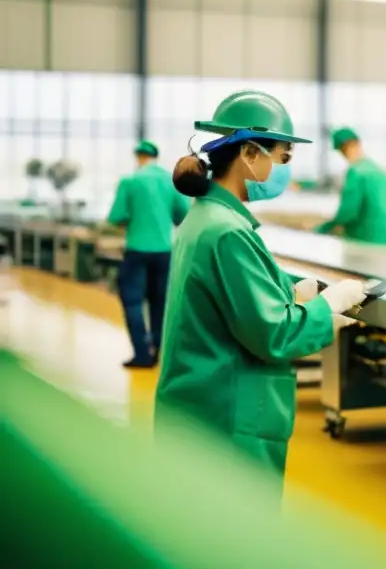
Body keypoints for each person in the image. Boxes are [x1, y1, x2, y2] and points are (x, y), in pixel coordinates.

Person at [155, 90, 368, 492]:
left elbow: (232, 293)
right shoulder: (228, 232)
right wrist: (328, 305)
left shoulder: (206, 218)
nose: (285, 168)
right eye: (283, 158)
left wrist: (290, 290)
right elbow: (276, 333)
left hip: (202, 407)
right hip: (227, 421)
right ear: (251, 155)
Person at [106, 140, 190, 369]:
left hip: (136, 250)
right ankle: (159, 349)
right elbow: (183, 214)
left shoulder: (130, 181)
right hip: (164, 251)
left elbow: (115, 217)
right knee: (160, 302)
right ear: (156, 156)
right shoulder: (170, 182)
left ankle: (142, 355)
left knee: (133, 301)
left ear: (138, 157)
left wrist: (134, 222)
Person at [314, 128, 386, 246]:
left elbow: (349, 211)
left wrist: (324, 228)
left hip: (362, 242)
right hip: (383, 241)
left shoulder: (356, 172)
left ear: (343, 149)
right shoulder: (379, 171)